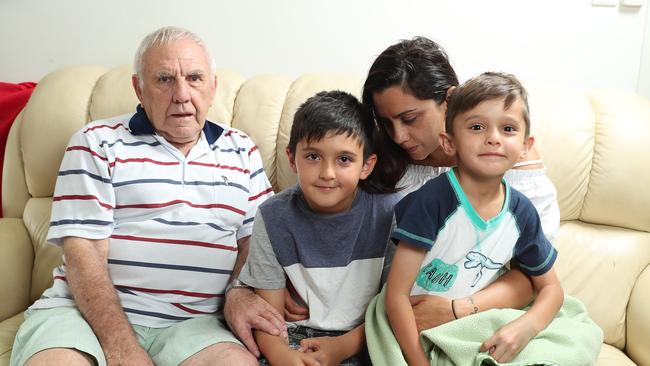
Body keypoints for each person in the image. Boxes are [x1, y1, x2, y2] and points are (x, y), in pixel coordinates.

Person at [10, 26, 273, 366]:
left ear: (213, 86)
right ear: (139, 88)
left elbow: (256, 239)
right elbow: (84, 251)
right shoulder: (97, 142)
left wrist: (239, 290)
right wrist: (121, 346)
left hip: (197, 325)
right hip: (82, 317)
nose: (181, 94)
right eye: (164, 79)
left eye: (194, 78)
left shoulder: (242, 149)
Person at [360, 36, 561, 332]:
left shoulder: (508, 162)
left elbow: (532, 275)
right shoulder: (386, 159)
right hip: (399, 313)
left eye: (410, 118)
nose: (399, 136)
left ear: (450, 100)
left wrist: (456, 309)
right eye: (387, 123)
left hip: (480, 312)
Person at [385, 72, 564, 365]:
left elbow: (552, 289)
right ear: (449, 142)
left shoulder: (522, 212)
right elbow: (395, 297)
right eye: (477, 127)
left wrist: (524, 328)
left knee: (566, 346)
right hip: (413, 325)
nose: (493, 138)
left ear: (524, 145)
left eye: (507, 128)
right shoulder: (432, 201)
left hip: (472, 322)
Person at [238, 90, 399, 366]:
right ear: (292, 159)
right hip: (294, 341)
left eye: (344, 160)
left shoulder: (388, 212)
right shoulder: (273, 215)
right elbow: (269, 317)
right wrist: (281, 356)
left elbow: (395, 305)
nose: (327, 173)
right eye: (313, 157)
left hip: (367, 339)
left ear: (366, 165)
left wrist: (341, 348)